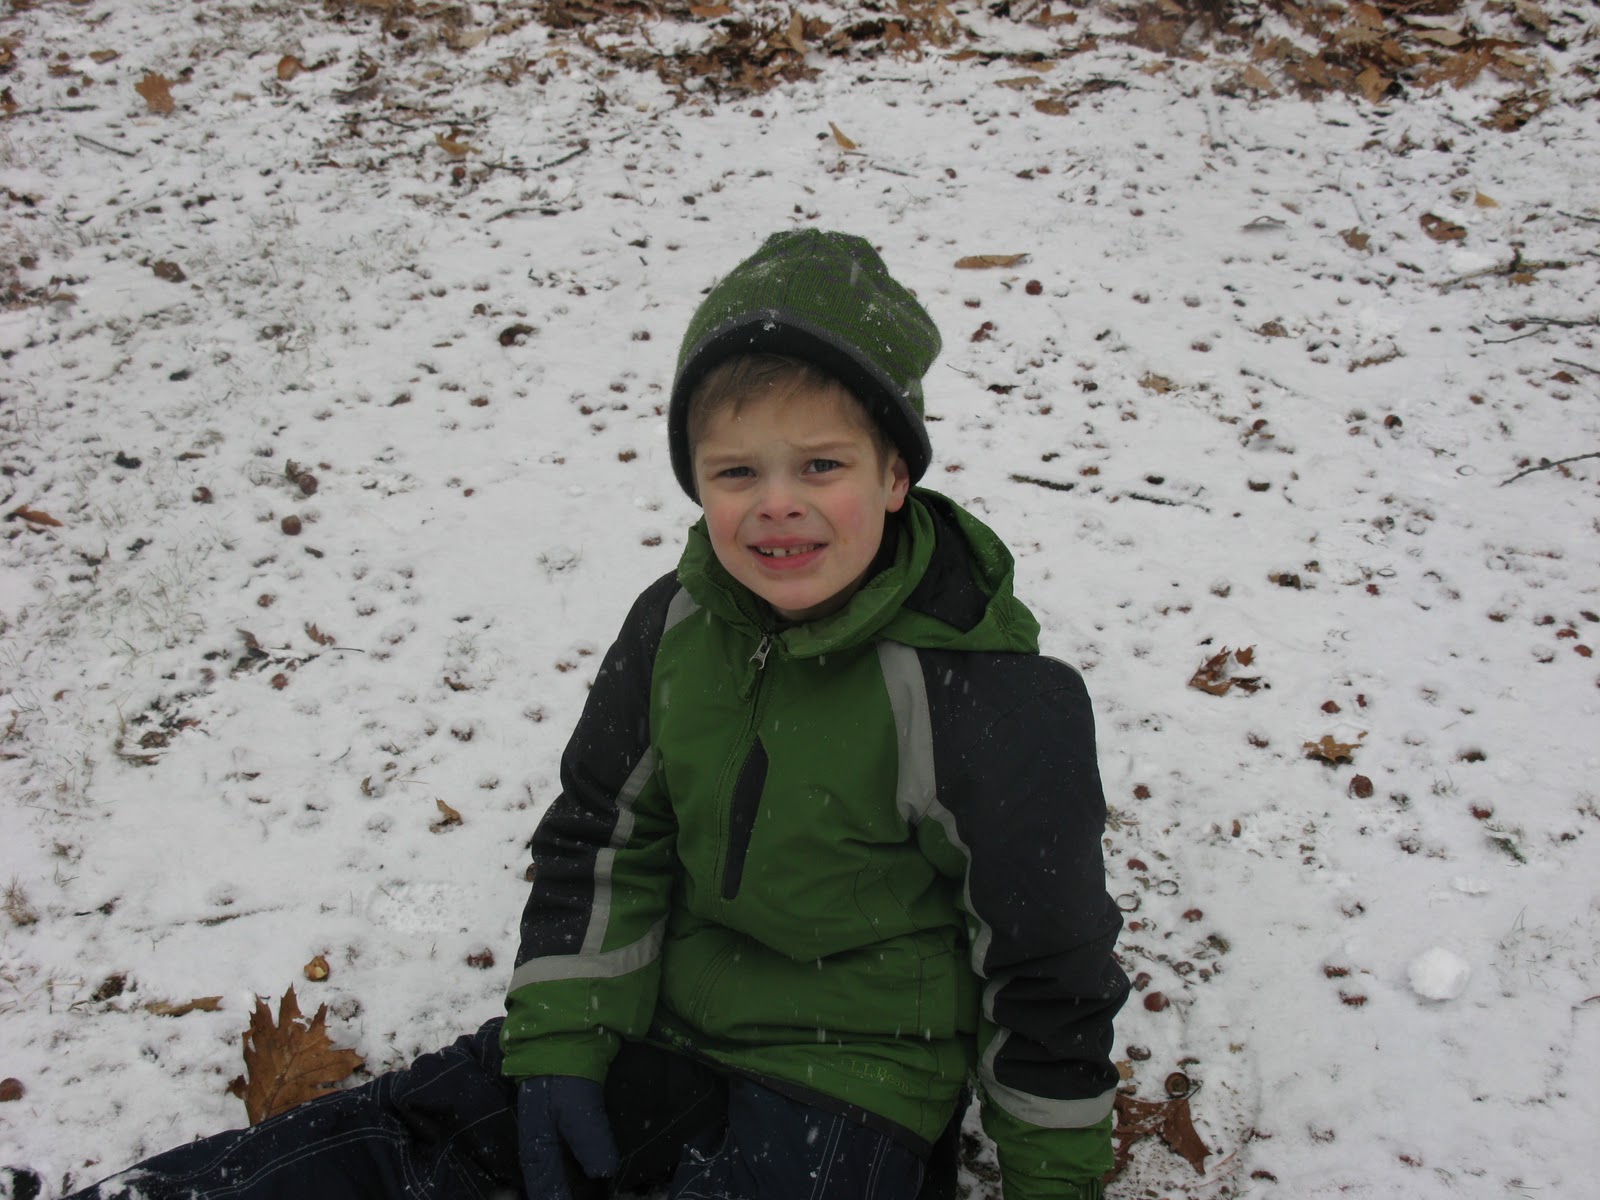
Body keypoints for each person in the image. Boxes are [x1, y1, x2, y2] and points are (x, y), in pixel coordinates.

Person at [53, 230, 1128, 1200]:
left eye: (822, 465)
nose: (776, 503)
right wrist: (563, 1044)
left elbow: (1048, 967)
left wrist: (1053, 1183)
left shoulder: (985, 699)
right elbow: (602, 839)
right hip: (653, 1023)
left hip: (852, 1082)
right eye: (736, 470)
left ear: (896, 475)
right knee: (411, 1142)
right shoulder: (677, 628)